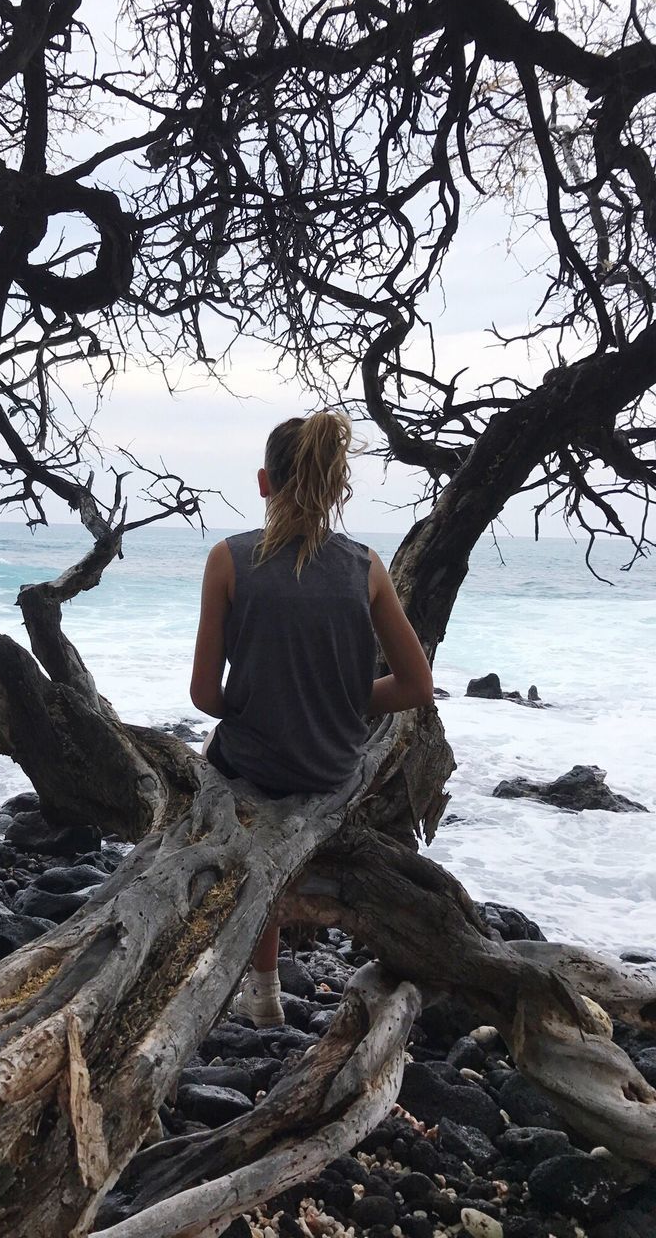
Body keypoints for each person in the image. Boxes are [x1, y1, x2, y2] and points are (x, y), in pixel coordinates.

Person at [190, 411, 434, 1026]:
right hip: (332, 771)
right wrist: (346, 703)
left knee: (222, 801)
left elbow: (202, 694)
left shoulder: (228, 559)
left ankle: (262, 993)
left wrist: (255, 706)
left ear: (264, 481)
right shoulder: (365, 566)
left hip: (253, 762)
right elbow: (416, 684)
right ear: (332, 489)